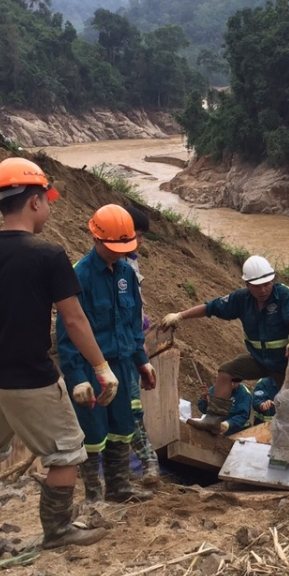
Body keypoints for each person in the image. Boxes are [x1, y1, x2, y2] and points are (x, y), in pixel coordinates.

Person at [0, 157, 114, 549]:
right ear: (35, 202)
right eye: (47, 200)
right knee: (67, 451)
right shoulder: (48, 255)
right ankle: (57, 531)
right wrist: (101, 366)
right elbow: (73, 321)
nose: (49, 208)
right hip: (30, 377)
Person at [56, 204, 156, 504]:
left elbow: (132, 325)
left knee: (122, 429)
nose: (119, 252)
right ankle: (94, 495)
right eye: (114, 246)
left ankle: (119, 488)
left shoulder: (127, 273)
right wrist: (76, 377)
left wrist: (142, 362)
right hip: (91, 369)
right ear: (96, 239)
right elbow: (67, 331)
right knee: (93, 433)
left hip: (123, 366)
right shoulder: (79, 276)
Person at [158, 255, 289, 446]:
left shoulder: (284, 294)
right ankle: (213, 420)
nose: (263, 290)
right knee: (227, 371)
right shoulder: (241, 299)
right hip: (259, 359)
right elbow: (211, 307)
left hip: (284, 362)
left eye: (267, 284)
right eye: (257, 286)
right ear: (247, 284)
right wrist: (180, 316)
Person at [121, 205, 160, 483]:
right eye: (138, 234)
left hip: (128, 344)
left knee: (132, 406)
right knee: (125, 407)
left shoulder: (130, 262)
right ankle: (142, 465)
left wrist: (141, 322)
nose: (142, 240)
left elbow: (132, 302)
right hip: (115, 349)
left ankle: (147, 464)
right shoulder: (95, 269)